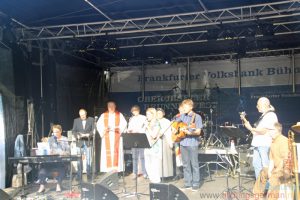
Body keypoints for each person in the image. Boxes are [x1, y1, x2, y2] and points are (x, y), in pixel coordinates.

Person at [240, 97, 278, 179]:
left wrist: (250, 128)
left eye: (258, 105)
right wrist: (247, 124)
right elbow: (256, 132)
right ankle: (259, 186)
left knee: (265, 167)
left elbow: (263, 131)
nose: (257, 107)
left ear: (265, 105)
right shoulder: (264, 116)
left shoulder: (271, 115)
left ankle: (266, 188)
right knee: (257, 165)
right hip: (258, 145)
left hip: (264, 145)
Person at [177, 99, 203, 191]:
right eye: (183, 107)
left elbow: (198, 132)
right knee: (185, 164)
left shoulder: (197, 117)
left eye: (185, 107)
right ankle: (187, 183)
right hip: (183, 143)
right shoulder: (182, 116)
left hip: (192, 143)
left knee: (194, 164)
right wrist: (175, 130)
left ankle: (196, 183)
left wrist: (189, 133)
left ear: (191, 107)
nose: (184, 108)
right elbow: (175, 124)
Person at [37, 124, 70, 193]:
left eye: (57, 132)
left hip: (61, 161)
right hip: (51, 161)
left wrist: (61, 152)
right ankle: (42, 185)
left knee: (62, 168)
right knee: (42, 169)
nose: (55, 133)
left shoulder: (65, 139)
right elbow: (47, 149)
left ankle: (58, 184)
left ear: (61, 131)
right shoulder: (51, 139)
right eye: (54, 132)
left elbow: (68, 152)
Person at [96, 100, 127, 172]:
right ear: (107, 107)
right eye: (109, 106)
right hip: (107, 136)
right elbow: (99, 125)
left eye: (112, 106)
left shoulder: (119, 115)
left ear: (115, 106)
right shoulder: (103, 115)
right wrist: (104, 129)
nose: (111, 107)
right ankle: (108, 169)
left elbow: (124, 125)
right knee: (107, 153)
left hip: (116, 136)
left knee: (116, 152)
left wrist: (116, 128)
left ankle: (117, 169)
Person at [267, 122, 292, 200]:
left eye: (269, 130)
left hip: (285, 170)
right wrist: (269, 171)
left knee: (275, 179)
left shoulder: (284, 141)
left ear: (275, 130)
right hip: (277, 169)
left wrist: (276, 171)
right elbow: (271, 159)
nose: (268, 131)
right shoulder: (272, 142)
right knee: (263, 173)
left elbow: (286, 159)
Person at [72, 108, 94, 180]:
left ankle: (89, 174)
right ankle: (79, 175)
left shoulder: (91, 119)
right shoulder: (76, 120)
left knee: (89, 159)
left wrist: (89, 135)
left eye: (84, 115)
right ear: (79, 115)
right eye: (81, 115)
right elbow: (74, 131)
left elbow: (93, 130)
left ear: (86, 113)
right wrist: (77, 136)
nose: (83, 116)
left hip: (88, 141)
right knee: (79, 159)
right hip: (79, 142)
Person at [127, 105, 147, 179]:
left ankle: (144, 173)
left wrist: (138, 131)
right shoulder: (131, 119)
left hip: (141, 138)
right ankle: (135, 172)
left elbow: (145, 128)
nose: (135, 112)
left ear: (138, 110)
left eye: (136, 110)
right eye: (133, 111)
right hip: (133, 139)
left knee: (142, 156)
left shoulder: (144, 118)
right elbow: (129, 128)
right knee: (134, 157)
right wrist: (129, 131)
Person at [144, 108, 162, 183]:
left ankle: (156, 181)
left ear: (153, 114)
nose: (147, 116)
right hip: (146, 146)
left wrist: (147, 127)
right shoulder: (147, 123)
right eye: (146, 114)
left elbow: (154, 135)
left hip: (154, 147)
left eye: (148, 114)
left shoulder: (157, 123)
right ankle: (152, 179)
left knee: (154, 165)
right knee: (147, 165)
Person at [156, 108, 174, 179]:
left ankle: (166, 175)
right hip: (156, 142)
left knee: (165, 158)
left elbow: (168, 131)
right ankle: (158, 175)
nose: (158, 115)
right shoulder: (154, 121)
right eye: (157, 113)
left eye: (160, 113)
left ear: (163, 114)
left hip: (164, 140)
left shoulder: (167, 121)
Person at [172, 104, 184, 180]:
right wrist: (173, 129)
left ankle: (186, 174)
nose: (181, 110)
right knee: (177, 156)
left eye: (182, 109)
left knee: (185, 157)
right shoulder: (176, 117)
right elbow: (172, 126)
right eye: (180, 109)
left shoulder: (188, 117)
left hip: (185, 139)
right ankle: (178, 173)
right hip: (177, 139)